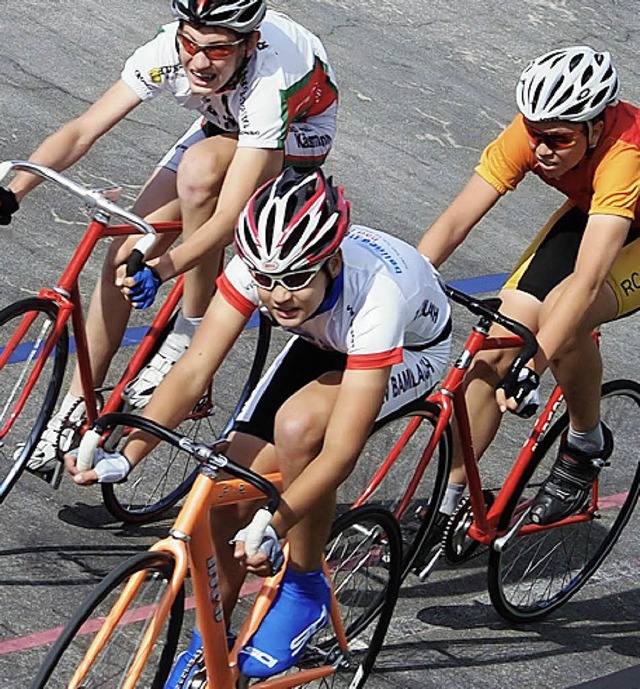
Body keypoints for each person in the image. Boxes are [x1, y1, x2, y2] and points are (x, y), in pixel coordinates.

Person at [68, 167, 452, 679]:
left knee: (299, 429)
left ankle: (305, 584)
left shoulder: (376, 296)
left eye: (294, 279)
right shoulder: (266, 268)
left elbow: (341, 450)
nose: (277, 296)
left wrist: (276, 523)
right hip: (325, 334)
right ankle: (213, 645)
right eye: (267, 282)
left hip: (410, 350)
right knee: (226, 489)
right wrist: (129, 451)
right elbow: (194, 370)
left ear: (331, 262)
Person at [0, 0, 338, 482]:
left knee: (200, 179)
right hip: (222, 119)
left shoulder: (270, 80)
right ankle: (77, 404)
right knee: (122, 251)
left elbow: (226, 219)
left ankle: (191, 330)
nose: (199, 62)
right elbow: (83, 130)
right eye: (191, 45)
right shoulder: (166, 50)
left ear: (248, 45)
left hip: (296, 131)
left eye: (217, 50)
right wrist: (13, 191)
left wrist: (162, 268)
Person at [418, 45, 640, 529]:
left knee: (565, 317)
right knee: (494, 348)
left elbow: (587, 281)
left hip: (628, 227)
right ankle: (447, 503)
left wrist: (534, 366)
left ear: (596, 126)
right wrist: (410, 276)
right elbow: (458, 217)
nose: (542, 150)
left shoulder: (625, 155)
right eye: (536, 135)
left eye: (558, 140)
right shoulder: (535, 129)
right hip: (594, 213)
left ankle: (585, 444)